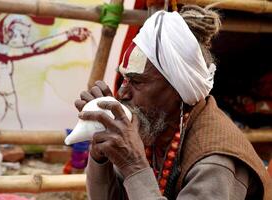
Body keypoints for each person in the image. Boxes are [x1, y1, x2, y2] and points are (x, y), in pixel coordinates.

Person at [75, 5, 271, 200]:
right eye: (124, 79)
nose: (122, 92)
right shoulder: (153, 128)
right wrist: (100, 155)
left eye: (136, 81)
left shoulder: (214, 164)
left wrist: (134, 166)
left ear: (178, 89)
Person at [0, 14, 90, 129]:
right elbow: (34, 49)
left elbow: (33, 49)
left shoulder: (4, 52)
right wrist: (67, 35)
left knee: (12, 137)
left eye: (24, 35)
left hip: (9, 100)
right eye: (15, 33)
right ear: (6, 32)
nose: (19, 38)